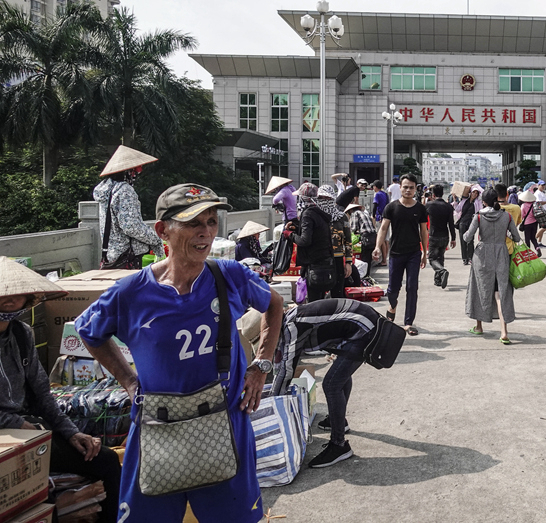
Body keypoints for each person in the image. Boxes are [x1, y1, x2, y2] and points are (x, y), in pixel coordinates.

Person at [78, 183, 284, 523]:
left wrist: (260, 366)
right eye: (192, 223)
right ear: (162, 231)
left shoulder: (228, 275)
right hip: (157, 428)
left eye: (211, 222)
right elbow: (89, 331)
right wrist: (128, 381)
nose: (205, 232)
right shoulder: (130, 293)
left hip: (223, 423)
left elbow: (273, 304)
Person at [0, 258, 122, 523]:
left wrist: (71, 432)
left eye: (16, 293)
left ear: (28, 297)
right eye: (3, 293)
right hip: (6, 436)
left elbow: (43, 394)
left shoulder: (22, 335)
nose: (9, 300)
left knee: (106, 461)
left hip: (30, 431)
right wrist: (15, 422)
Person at [271, 298, 384, 468]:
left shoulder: (291, 327)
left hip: (364, 329)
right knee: (340, 375)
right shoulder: (289, 319)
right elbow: (281, 363)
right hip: (363, 322)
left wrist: (272, 404)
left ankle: (339, 445)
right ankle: (338, 421)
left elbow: (287, 369)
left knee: (331, 384)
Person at [464, 188, 522, 344]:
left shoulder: (479, 217)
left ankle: (479, 326)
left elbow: (468, 237)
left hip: (482, 255)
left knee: (481, 288)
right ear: (497, 199)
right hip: (501, 254)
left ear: (483, 201)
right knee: (500, 292)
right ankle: (504, 332)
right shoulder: (507, 216)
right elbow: (516, 237)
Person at [374, 174, 428, 336]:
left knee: (412, 287)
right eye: (405, 187)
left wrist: (425, 252)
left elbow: (423, 231)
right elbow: (383, 229)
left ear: (415, 189)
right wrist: (377, 246)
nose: (408, 190)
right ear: (400, 188)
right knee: (393, 289)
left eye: (411, 187)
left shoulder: (420, 209)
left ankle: (408, 323)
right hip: (396, 253)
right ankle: (392, 307)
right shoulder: (391, 207)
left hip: (413, 253)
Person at [93, 145, 164, 269]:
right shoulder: (125, 190)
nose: (138, 172)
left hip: (112, 254)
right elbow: (131, 226)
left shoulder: (107, 189)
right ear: (128, 171)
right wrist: (156, 240)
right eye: (136, 170)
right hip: (128, 255)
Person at [287, 183, 336, 302]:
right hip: (325, 262)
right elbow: (315, 232)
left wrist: (290, 235)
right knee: (321, 300)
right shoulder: (319, 212)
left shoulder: (308, 214)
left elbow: (305, 240)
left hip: (314, 264)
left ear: (303, 198)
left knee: (314, 302)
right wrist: (297, 227)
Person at [425, 184, 457, 289]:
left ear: (433, 194)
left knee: (432, 258)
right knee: (440, 257)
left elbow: (423, 220)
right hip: (445, 235)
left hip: (434, 235)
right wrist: (453, 238)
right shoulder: (448, 206)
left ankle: (442, 271)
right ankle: (438, 280)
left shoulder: (429, 205)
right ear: (443, 194)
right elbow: (451, 224)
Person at [346, 201, 378, 275]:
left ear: (350, 210)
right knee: (369, 258)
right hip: (373, 235)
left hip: (366, 237)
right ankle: (367, 275)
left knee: (364, 258)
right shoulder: (365, 213)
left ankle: (364, 276)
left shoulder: (355, 213)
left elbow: (353, 228)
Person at [455, 186, 477, 265]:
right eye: (473, 192)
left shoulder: (477, 203)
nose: (475, 194)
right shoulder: (464, 201)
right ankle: (465, 258)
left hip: (472, 223)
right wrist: (455, 200)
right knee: (463, 241)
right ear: (470, 193)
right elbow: (457, 209)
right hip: (463, 223)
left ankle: (471, 257)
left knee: (470, 240)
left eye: (476, 193)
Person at [519, 189, 542, 257]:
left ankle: (528, 252)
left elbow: (522, 215)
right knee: (533, 238)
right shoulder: (534, 204)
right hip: (535, 223)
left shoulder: (523, 205)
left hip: (527, 224)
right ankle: (537, 248)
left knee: (527, 238)